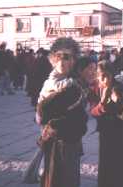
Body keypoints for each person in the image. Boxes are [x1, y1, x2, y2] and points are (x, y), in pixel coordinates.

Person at [36, 37, 88, 187]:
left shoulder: (72, 81)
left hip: (71, 139)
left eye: (68, 57)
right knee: (57, 177)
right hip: (58, 140)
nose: (62, 61)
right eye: (58, 56)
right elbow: (41, 115)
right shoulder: (55, 84)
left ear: (74, 60)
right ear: (52, 59)